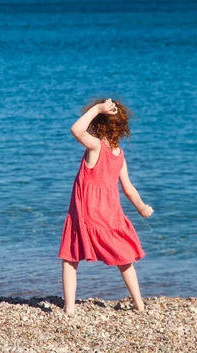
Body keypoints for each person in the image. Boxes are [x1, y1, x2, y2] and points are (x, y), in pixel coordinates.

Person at [58, 98, 154, 315]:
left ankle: (70, 309)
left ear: (97, 124)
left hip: (86, 213)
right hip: (111, 214)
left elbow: (76, 129)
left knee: (70, 258)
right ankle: (139, 304)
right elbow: (129, 188)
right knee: (125, 259)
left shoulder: (95, 146)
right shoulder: (119, 154)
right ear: (122, 128)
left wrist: (96, 109)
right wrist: (142, 208)